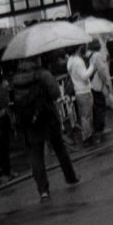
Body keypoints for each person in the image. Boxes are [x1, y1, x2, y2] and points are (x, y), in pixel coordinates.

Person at [9, 56, 79, 202]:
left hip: (28, 120)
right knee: (59, 148)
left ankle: (43, 191)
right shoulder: (42, 74)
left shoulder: (17, 78)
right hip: (47, 117)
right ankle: (70, 177)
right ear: (36, 59)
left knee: (36, 154)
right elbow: (55, 93)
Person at [65, 44, 94, 146]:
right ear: (78, 48)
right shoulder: (78, 61)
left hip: (78, 91)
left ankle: (87, 135)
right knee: (86, 116)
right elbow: (84, 76)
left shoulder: (70, 60)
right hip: (84, 90)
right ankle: (87, 138)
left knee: (83, 115)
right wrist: (92, 66)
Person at [87, 39, 113, 141]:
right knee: (100, 107)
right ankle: (99, 130)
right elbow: (103, 72)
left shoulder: (90, 55)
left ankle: (97, 129)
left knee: (96, 107)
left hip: (92, 84)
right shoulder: (97, 56)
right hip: (97, 85)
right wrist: (107, 84)